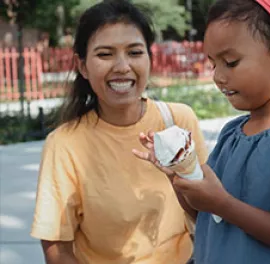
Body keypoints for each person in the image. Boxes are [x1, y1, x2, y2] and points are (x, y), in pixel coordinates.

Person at [134, 0, 270, 263]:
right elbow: (206, 214)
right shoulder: (232, 133)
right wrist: (179, 175)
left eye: (230, 62)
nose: (217, 76)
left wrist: (223, 204)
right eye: (213, 64)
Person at [30, 1, 208, 263]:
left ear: (150, 57)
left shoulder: (179, 120)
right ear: (82, 66)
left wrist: (182, 187)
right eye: (105, 54)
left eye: (135, 52)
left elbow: (207, 215)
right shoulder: (64, 144)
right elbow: (57, 248)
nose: (123, 66)